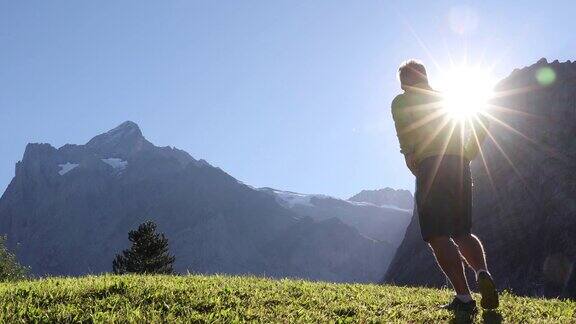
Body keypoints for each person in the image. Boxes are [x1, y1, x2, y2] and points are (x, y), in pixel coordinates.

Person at [391, 59, 498, 312]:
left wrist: (413, 161)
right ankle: (482, 272)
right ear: (425, 77)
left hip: (431, 166)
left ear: (405, 82)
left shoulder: (401, 101)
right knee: (462, 232)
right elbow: (482, 120)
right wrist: (467, 153)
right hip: (459, 165)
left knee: (437, 234)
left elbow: (405, 136)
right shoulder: (447, 98)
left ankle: (464, 298)